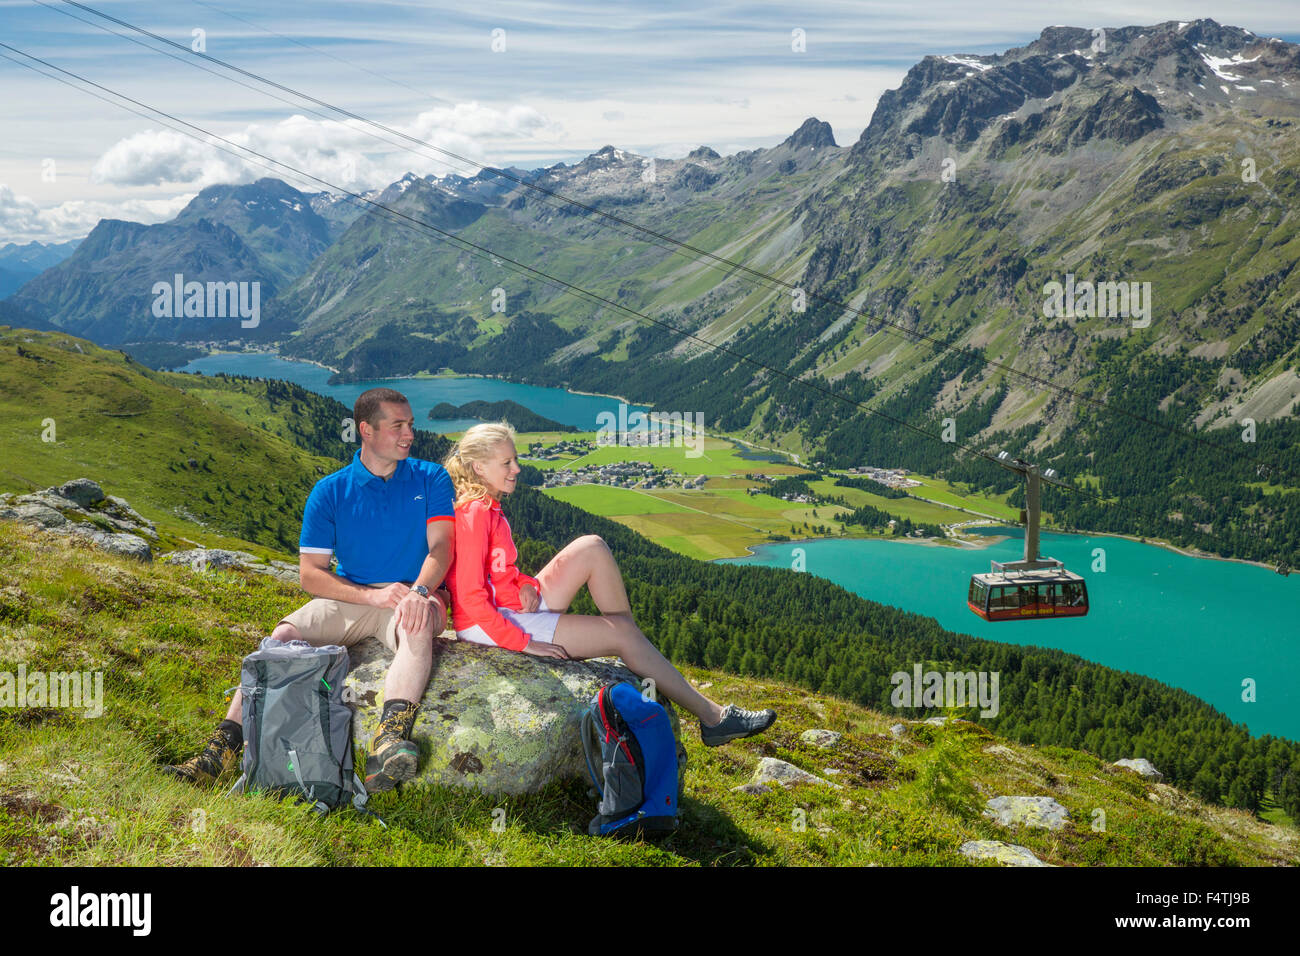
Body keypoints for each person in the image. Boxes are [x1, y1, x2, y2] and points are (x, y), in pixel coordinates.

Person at [165, 388, 455, 792]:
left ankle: (389, 739)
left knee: (417, 625)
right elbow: (310, 575)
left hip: (414, 594)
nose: (409, 434)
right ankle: (221, 750)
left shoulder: (431, 477)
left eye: (410, 425)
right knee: (282, 638)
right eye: (398, 426)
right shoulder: (330, 491)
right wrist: (372, 596)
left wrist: (419, 593)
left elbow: (442, 547)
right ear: (366, 430)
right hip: (352, 597)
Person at [442, 421, 776, 745]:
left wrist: (525, 582)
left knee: (592, 546)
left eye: (516, 459)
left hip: (510, 602)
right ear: (479, 468)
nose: (516, 468)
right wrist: (521, 642)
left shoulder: (488, 505)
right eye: (506, 462)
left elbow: (499, 569)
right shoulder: (475, 513)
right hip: (487, 624)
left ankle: (631, 646)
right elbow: (469, 598)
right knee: (623, 634)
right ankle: (713, 718)